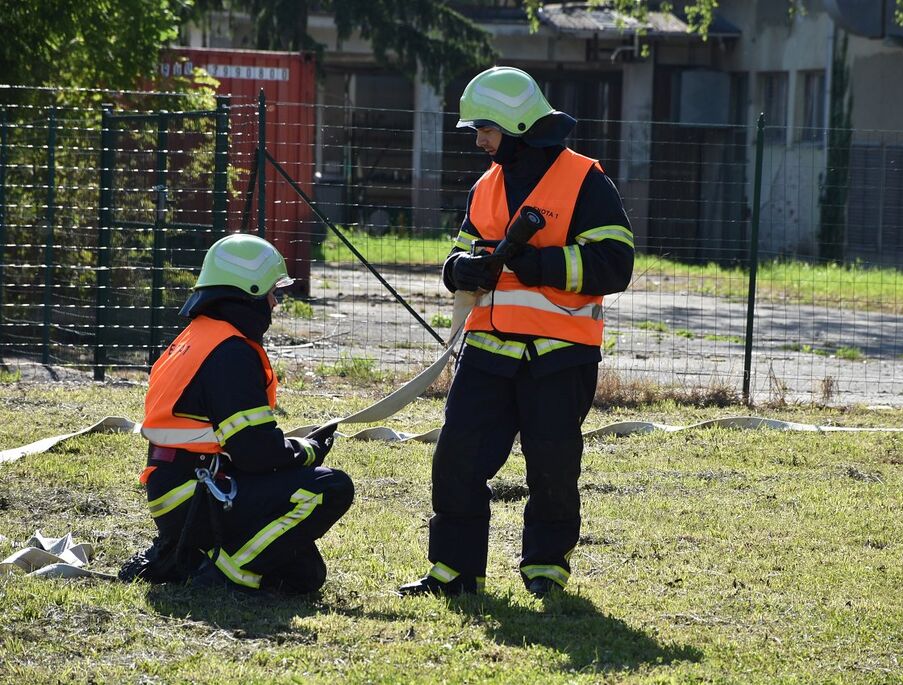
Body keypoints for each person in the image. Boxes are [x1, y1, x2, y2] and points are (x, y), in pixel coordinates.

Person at [399, 66, 634, 598]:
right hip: (486, 351)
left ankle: (546, 569)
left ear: (517, 125)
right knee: (457, 459)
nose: (479, 141)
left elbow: (615, 265)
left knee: (552, 468)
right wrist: (458, 270)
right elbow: (463, 249)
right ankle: (453, 572)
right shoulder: (486, 185)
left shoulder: (586, 181)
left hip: (560, 357)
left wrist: (541, 265)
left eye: (485, 129)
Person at [119, 233, 354, 593]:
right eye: (271, 292)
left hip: (185, 489)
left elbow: (237, 443)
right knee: (331, 487)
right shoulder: (230, 352)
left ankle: (190, 558)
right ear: (250, 291)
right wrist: (307, 451)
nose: (274, 303)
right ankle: (222, 574)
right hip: (198, 494)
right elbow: (254, 452)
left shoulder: (196, 338)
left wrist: (293, 449)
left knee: (303, 576)